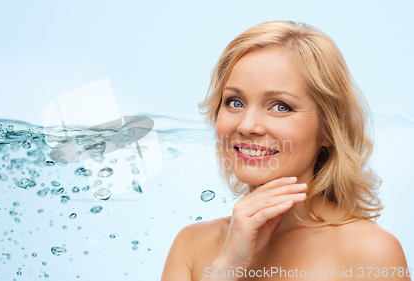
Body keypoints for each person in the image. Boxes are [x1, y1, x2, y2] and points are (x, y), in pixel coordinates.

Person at [161, 21, 410, 281]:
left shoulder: (370, 252)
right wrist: (225, 268)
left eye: (280, 107)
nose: (247, 125)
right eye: (235, 102)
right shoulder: (191, 245)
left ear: (328, 129)